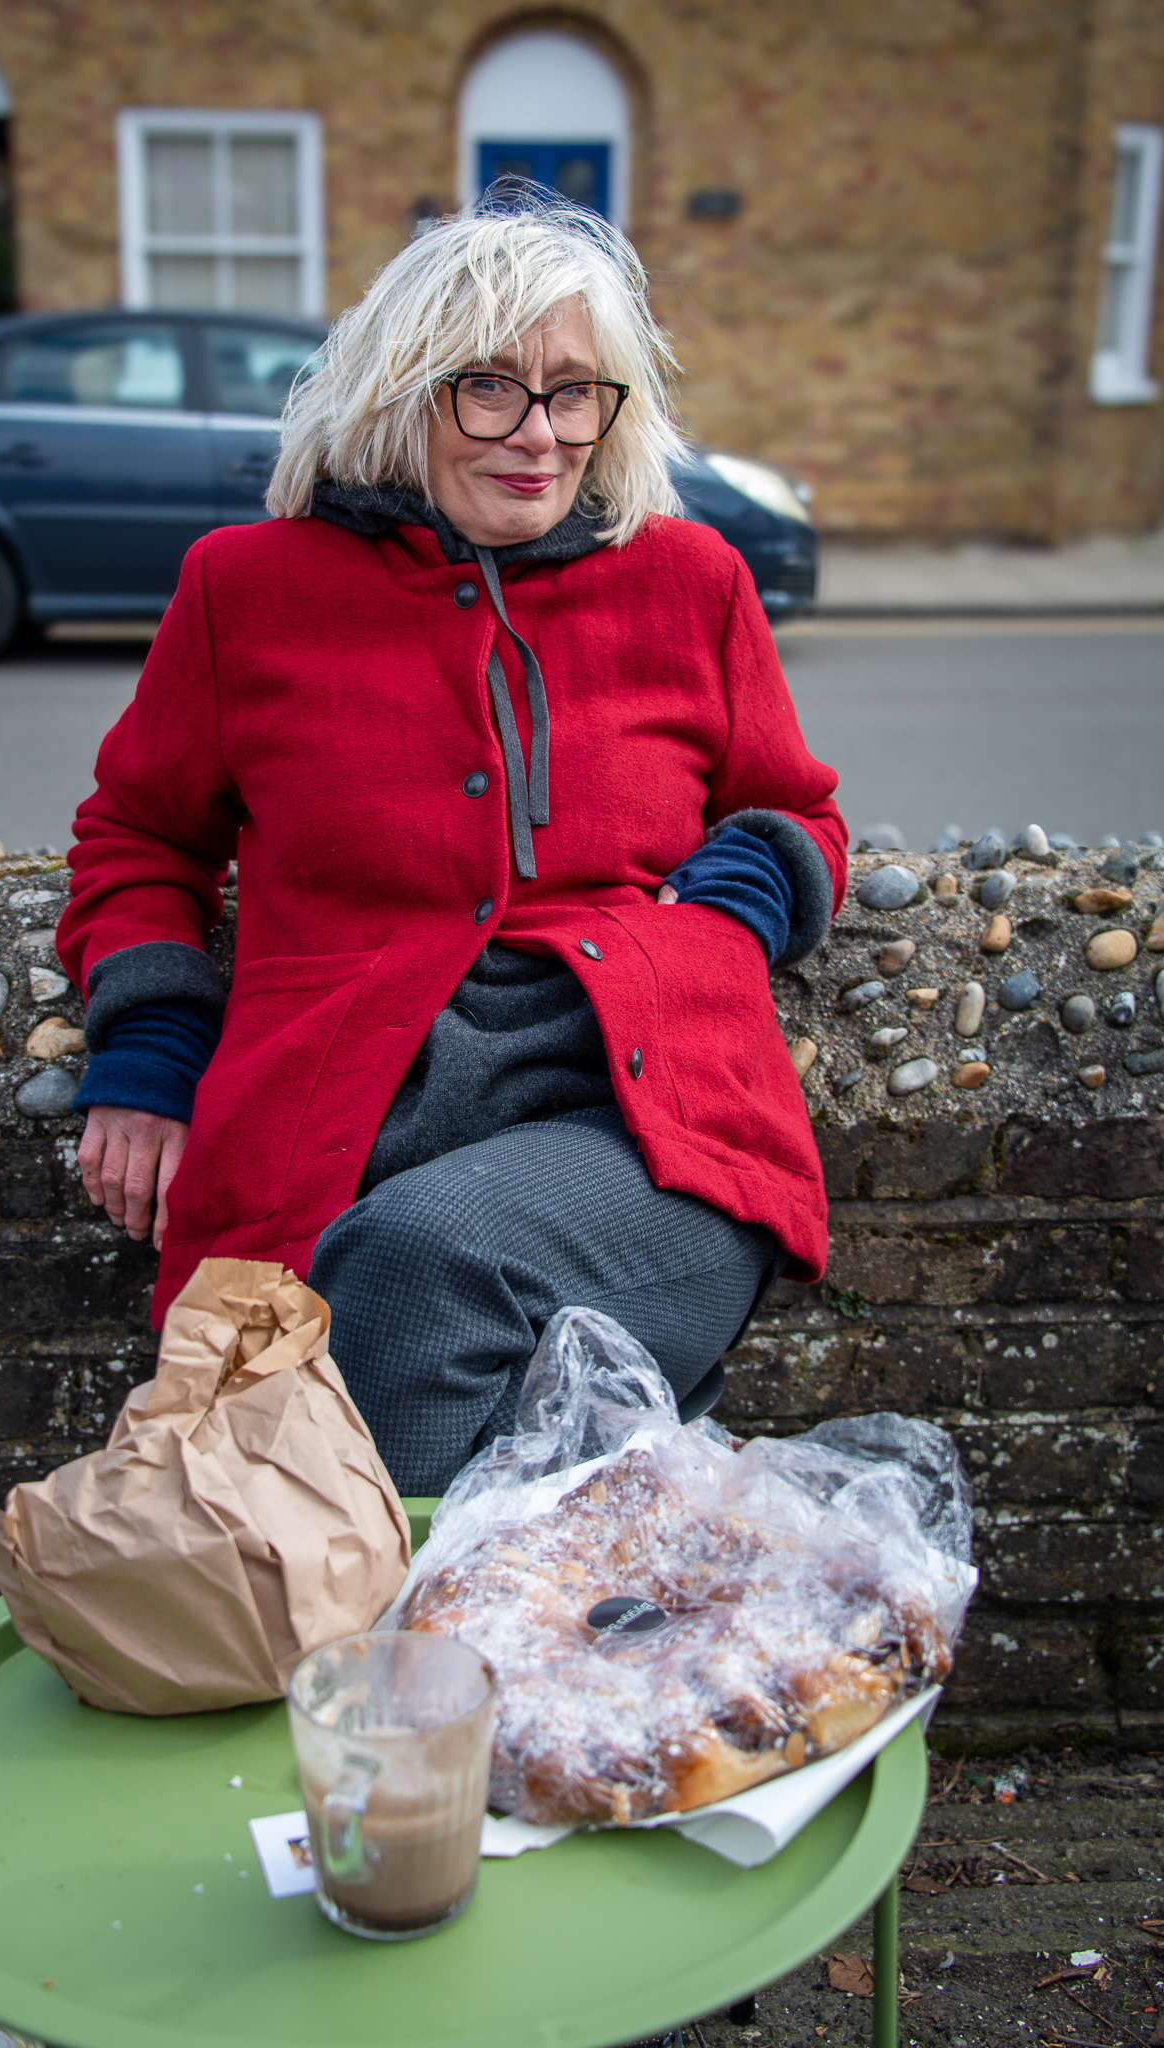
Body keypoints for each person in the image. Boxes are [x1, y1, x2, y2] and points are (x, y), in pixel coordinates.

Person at [57, 194, 847, 1496]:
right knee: (535, 1472)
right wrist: (148, 1049)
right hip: (325, 1145)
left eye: (573, 394)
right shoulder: (244, 592)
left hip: (644, 1139)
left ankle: (360, 1672)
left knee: (422, 1264)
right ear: (397, 392)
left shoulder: (689, 582)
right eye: (488, 390)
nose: (539, 436)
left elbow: (794, 808)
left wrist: (727, 907)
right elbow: (140, 834)